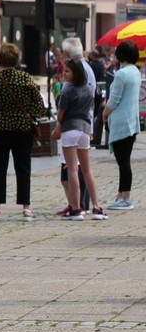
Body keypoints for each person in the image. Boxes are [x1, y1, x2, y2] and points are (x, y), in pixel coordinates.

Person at [0, 42, 43, 220]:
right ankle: (26, 207)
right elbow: (38, 105)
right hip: (23, 129)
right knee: (23, 167)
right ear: (17, 59)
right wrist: (28, 114)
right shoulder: (24, 78)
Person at [56, 57, 106, 220]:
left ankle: (76, 208)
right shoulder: (88, 89)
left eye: (67, 71)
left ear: (75, 72)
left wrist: (58, 127)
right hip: (85, 130)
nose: (64, 73)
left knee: (72, 169)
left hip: (70, 129)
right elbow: (90, 111)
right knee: (87, 169)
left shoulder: (67, 90)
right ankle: (96, 207)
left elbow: (61, 113)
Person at [104, 41, 141, 210]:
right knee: (124, 161)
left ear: (120, 55)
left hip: (120, 123)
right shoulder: (136, 72)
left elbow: (113, 100)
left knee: (123, 162)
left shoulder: (121, 75)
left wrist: (104, 114)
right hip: (131, 122)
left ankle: (125, 197)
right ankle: (121, 195)